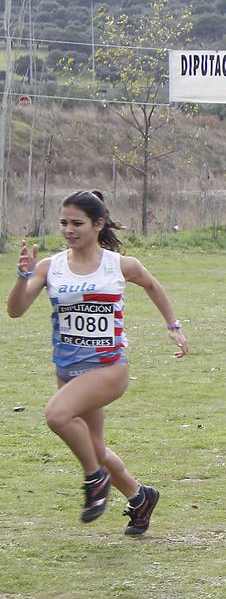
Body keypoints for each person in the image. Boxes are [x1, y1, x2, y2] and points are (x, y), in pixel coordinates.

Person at [7, 190, 188, 535]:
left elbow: (152, 284)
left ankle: (95, 480)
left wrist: (173, 326)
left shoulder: (119, 264)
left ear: (98, 224)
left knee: (57, 416)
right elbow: (15, 310)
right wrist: (21, 276)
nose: (68, 230)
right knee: (96, 448)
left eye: (77, 223)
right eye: (63, 223)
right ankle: (140, 497)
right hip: (68, 370)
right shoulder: (51, 267)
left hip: (108, 368)